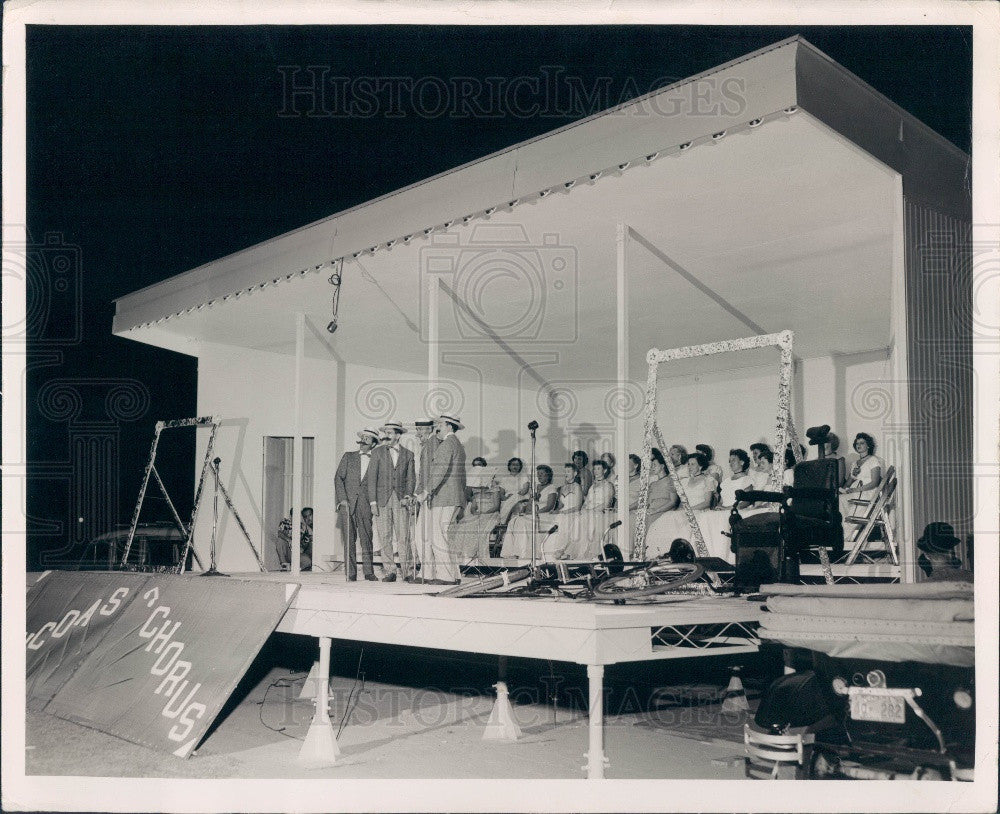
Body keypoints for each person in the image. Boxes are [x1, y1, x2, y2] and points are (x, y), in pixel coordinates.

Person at [414, 414, 467, 585]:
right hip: (448, 496)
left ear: (450, 426)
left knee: (438, 537)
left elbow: (439, 470)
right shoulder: (456, 444)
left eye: (441, 424)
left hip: (444, 497)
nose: (438, 427)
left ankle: (446, 576)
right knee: (440, 536)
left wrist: (426, 491)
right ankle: (445, 574)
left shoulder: (447, 444)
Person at [367, 420, 416, 582]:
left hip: (401, 500)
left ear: (398, 435)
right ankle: (390, 571)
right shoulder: (377, 452)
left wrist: (408, 495)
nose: (385, 436)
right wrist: (373, 502)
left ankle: (408, 571)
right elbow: (371, 479)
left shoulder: (408, 454)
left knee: (404, 537)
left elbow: (411, 479)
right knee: (385, 536)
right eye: (385, 433)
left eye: (389, 433)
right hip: (382, 500)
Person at [335, 428, 379, 581]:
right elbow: (338, 478)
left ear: (373, 443)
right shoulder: (348, 457)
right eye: (363, 437)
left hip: (366, 504)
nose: (363, 440)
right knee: (349, 539)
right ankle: (351, 573)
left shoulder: (376, 459)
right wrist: (342, 499)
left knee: (367, 538)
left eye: (367, 438)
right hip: (347, 504)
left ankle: (369, 572)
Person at [558, 459, 616, 560]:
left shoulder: (608, 485)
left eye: (598, 469)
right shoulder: (592, 486)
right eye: (594, 469)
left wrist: (591, 511)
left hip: (600, 513)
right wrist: (584, 509)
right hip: (589, 512)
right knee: (579, 520)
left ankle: (591, 554)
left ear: (605, 470)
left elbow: (606, 503)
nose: (596, 471)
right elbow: (586, 502)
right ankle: (573, 552)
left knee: (590, 520)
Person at [500, 465, 560, 559]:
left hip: (544, 515)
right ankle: (512, 552)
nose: (539, 476)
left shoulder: (551, 488)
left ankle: (524, 554)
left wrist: (536, 512)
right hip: (533, 514)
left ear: (548, 476)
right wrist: (530, 502)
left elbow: (550, 506)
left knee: (523, 522)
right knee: (514, 521)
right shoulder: (535, 487)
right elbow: (529, 505)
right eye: (538, 474)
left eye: (542, 474)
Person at [450, 457, 501, 563]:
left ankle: (476, 556)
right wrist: (474, 511)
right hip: (478, 513)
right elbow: (473, 505)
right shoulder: (474, 485)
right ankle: (464, 557)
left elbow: (496, 506)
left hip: (490, 513)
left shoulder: (494, 485)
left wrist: (484, 513)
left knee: (478, 528)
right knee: (464, 525)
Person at [540, 463, 585, 560]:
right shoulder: (563, 487)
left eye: (568, 471)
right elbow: (561, 505)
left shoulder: (577, 487)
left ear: (575, 473)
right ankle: (548, 554)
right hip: (562, 513)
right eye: (565, 471)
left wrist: (563, 513)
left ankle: (561, 551)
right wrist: (556, 510)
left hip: (573, 514)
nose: (566, 473)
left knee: (564, 523)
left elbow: (578, 506)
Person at [839, 432, 884, 517]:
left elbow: (875, 482)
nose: (858, 445)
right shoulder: (854, 463)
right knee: (839, 498)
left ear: (868, 445)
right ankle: (844, 527)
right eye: (857, 443)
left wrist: (856, 490)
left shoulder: (873, 460)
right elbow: (848, 482)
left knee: (843, 500)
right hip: (855, 491)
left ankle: (850, 528)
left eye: (862, 443)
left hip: (868, 491)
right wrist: (842, 491)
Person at [276, 506, 313, 571]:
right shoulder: (285, 522)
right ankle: (284, 564)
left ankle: (294, 568)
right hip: (288, 551)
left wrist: (305, 542)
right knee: (280, 540)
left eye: (298, 515)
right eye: (294, 515)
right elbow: (280, 533)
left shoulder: (303, 527)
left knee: (308, 561)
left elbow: (304, 545)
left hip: (297, 554)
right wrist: (289, 540)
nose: (296, 517)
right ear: (291, 515)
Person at [498, 457, 531, 522]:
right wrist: (505, 498)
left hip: (521, 497)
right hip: (508, 499)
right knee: (508, 503)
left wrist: (515, 496)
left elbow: (525, 490)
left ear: (520, 466)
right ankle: (505, 522)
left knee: (517, 501)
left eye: (517, 465)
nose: (515, 467)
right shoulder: (504, 479)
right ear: (509, 466)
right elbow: (501, 494)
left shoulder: (524, 477)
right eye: (513, 464)